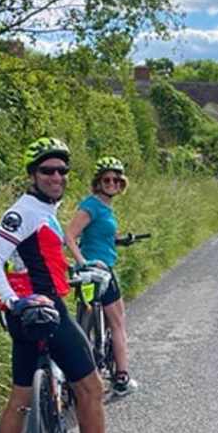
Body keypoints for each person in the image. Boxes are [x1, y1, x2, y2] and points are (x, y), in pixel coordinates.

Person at [0, 137, 130, 433]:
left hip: (28, 313)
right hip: (44, 312)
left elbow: (35, 261)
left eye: (62, 170)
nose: (56, 176)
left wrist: (76, 271)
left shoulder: (42, 211)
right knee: (92, 387)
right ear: (32, 175)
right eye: (47, 170)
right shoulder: (26, 211)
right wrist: (16, 301)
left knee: (19, 396)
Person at [64, 155, 137, 396]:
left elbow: (99, 237)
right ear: (98, 181)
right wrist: (83, 262)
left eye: (116, 180)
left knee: (86, 318)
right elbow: (70, 235)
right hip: (100, 271)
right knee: (118, 322)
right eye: (107, 179)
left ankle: (78, 376)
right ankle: (122, 377)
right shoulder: (92, 205)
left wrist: (120, 240)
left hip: (93, 271)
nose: (112, 183)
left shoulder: (103, 207)